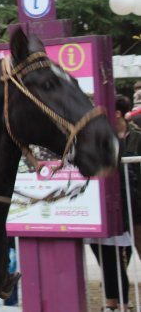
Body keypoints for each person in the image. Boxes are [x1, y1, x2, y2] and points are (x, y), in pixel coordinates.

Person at [86, 94, 139, 312]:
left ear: (116, 113)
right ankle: (112, 303)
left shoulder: (136, 137)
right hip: (105, 207)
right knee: (105, 254)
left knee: (120, 257)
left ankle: (120, 302)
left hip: (134, 207)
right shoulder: (98, 137)